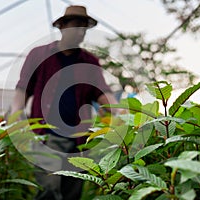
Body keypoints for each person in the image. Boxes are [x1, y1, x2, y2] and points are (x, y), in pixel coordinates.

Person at [10, 5, 119, 200]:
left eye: (84, 28)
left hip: (79, 140)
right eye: (76, 25)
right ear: (62, 26)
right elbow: (23, 88)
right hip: (46, 135)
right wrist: (15, 115)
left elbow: (103, 93)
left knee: (72, 192)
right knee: (49, 189)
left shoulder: (90, 62)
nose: (81, 32)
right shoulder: (39, 54)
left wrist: (118, 113)